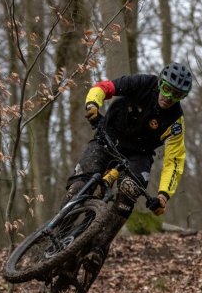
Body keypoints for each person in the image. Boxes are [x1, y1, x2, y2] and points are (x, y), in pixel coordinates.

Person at [66, 62, 192, 217]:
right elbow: (104, 88)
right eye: (166, 89)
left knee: (130, 189)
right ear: (160, 82)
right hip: (108, 138)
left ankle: (103, 237)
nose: (168, 97)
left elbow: (174, 160)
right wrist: (92, 104)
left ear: (182, 97)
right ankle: (57, 229)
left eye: (177, 95)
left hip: (139, 154)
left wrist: (163, 195)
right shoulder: (142, 83)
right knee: (78, 187)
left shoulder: (176, 120)